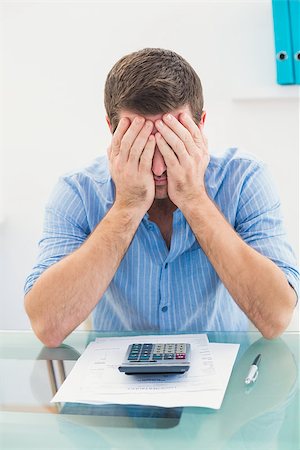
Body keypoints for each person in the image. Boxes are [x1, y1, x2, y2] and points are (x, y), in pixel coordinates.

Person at [24, 48, 298, 347]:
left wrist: (194, 199)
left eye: (172, 143)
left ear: (200, 125)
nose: (157, 168)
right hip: (113, 386)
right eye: (139, 146)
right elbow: (48, 327)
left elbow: (275, 318)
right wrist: (127, 206)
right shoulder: (78, 190)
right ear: (111, 131)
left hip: (225, 384)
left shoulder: (245, 179)